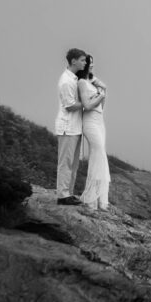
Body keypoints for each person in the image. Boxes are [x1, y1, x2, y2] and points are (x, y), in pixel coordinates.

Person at [55, 48, 89, 206]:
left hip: (75, 127)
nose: (84, 63)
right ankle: (62, 195)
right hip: (67, 127)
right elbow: (69, 106)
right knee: (65, 162)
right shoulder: (66, 81)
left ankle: (68, 193)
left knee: (73, 163)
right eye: (82, 60)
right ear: (73, 61)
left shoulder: (74, 79)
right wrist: (87, 104)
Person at [76, 53, 110, 210]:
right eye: (90, 63)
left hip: (99, 121)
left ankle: (100, 199)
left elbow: (102, 101)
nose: (92, 66)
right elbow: (87, 106)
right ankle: (91, 198)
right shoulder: (82, 82)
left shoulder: (92, 82)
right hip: (89, 121)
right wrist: (99, 96)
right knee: (99, 155)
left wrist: (100, 90)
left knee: (100, 157)